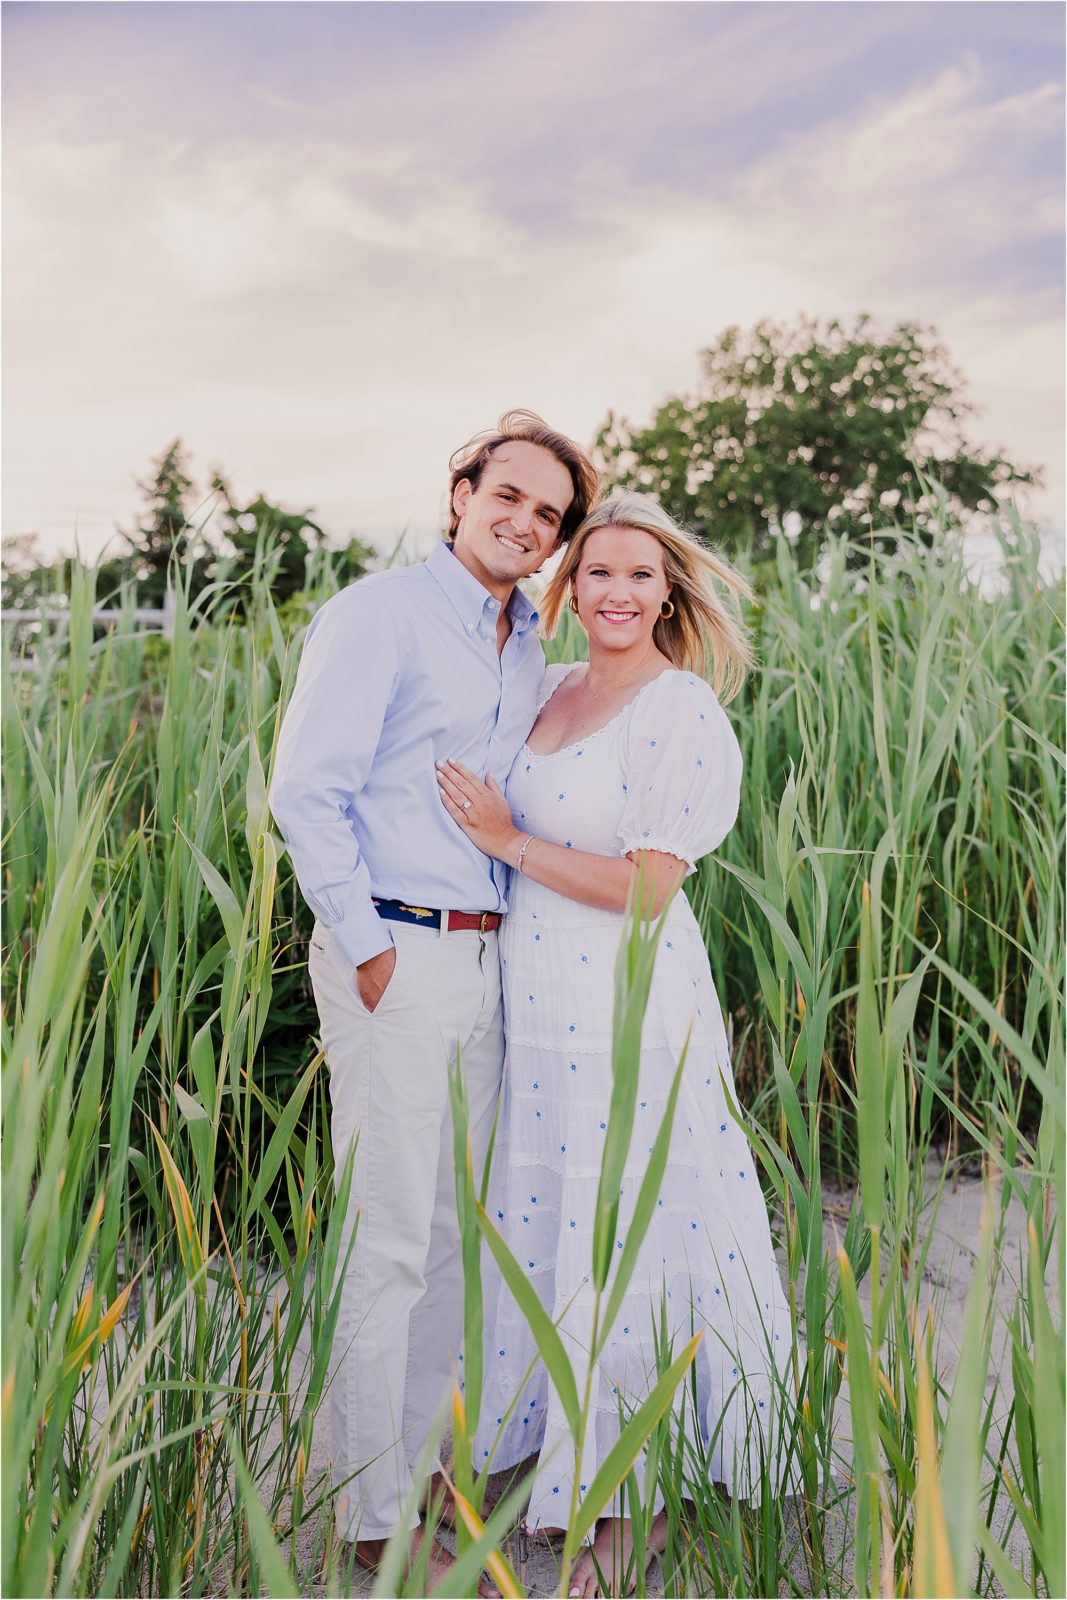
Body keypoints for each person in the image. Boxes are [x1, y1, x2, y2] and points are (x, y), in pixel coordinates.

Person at [435, 492, 795, 1598]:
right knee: (541, 1211)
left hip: (627, 997)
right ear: (568, 587)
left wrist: (507, 840)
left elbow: (645, 889)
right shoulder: (544, 691)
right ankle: (538, 1449)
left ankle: (616, 1505)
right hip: (532, 998)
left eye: (641, 576)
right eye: (597, 574)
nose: (619, 593)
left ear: (669, 592)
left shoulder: (678, 709)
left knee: (628, 1228)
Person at [268, 410, 598, 1589]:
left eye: (547, 515)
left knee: (456, 1237)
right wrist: (366, 950)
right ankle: (367, 1513)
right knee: (388, 1238)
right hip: (398, 957)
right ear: (457, 491)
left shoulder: (517, 641)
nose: (523, 522)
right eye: (504, 495)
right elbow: (306, 791)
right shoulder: (380, 615)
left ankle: (422, 1470)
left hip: (485, 959)